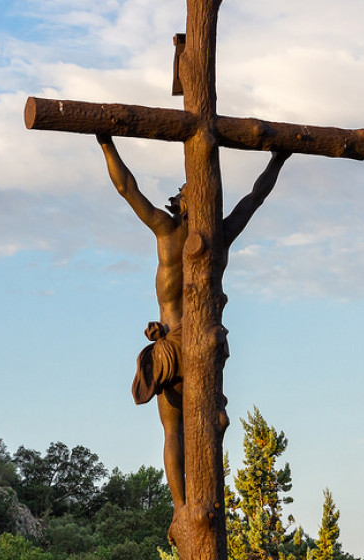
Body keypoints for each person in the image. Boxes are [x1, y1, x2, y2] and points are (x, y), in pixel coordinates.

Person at [96, 133, 289, 544]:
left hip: (190, 346)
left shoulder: (187, 233)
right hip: (189, 346)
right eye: (193, 194)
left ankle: (187, 506)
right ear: (183, 202)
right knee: (183, 428)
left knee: (192, 427)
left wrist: (278, 160)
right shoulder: (179, 232)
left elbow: (253, 199)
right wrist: (107, 144)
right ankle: (183, 508)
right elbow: (128, 189)